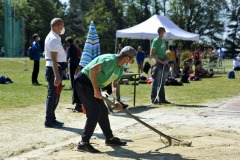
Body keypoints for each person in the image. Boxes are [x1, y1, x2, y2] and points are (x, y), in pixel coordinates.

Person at [74, 46, 136, 153]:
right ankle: (83, 143)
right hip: (83, 82)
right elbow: (92, 70)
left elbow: (115, 84)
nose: (133, 62)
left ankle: (110, 139)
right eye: (132, 59)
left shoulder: (120, 68)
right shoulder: (110, 60)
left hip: (93, 84)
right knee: (95, 112)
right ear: (126, 58)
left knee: (102, 110)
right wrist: (96, 90)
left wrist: (117, 100)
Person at [44, 18, 67, 128]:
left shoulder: (54, 37)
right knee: (52, 95)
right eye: (62, 25)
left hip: (56, 69)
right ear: (58, 26)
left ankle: (52, 118)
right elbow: (53, 59)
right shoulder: (53, 38)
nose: (63, 28)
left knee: (55, 95)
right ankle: (49, 120)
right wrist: (57, 76)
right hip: (54, 70)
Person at [150, 27, 171, 104]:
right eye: (163, 32)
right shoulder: (156, 41)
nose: (164, 34)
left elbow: (164, 52)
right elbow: (152, 54)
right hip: (158, 63)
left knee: (162, 82)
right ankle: (154, 99)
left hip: (164, 62)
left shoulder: (163, 41)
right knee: (156, 81)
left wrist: (166, 57)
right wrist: (161, 61)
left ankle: (162, 98)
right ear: (160, 32)